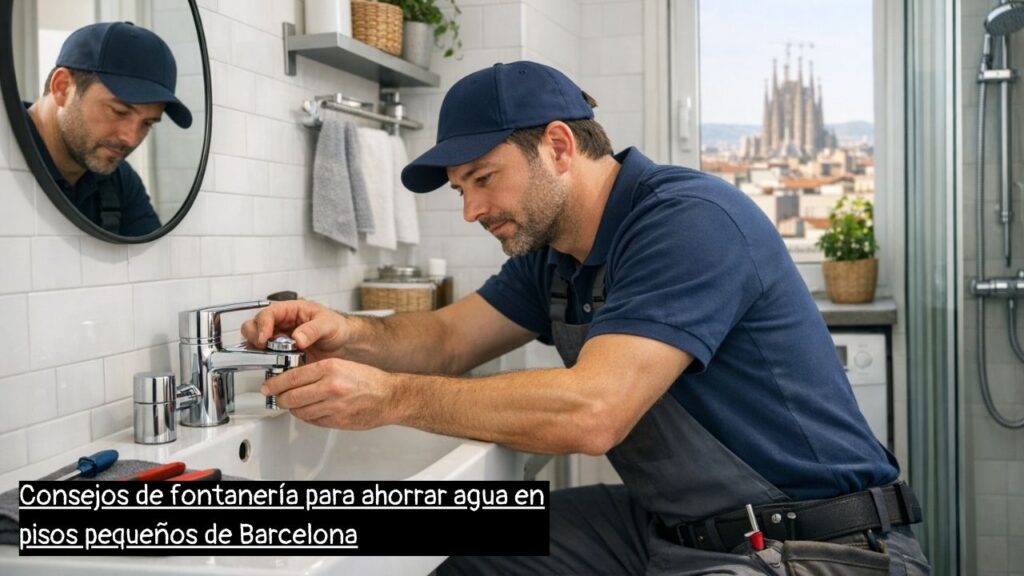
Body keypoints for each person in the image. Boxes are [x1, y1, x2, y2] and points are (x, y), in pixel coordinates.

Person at [242, 61, 930, 574]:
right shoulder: (555, 254)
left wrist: (390, 397)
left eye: (483, 179)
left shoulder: (686, 220)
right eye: (461, 191)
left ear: (560, 145)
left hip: (816, 547)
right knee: (454, 537)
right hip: (666, 530)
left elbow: (593, 411)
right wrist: (350, 332)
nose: (472, 210)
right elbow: (449, 339)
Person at [26, 21, 192, 236]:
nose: (131, 139)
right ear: (63, 87)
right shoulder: (8, 155)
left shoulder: (118, 180)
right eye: (119, 112)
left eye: (147, 123)